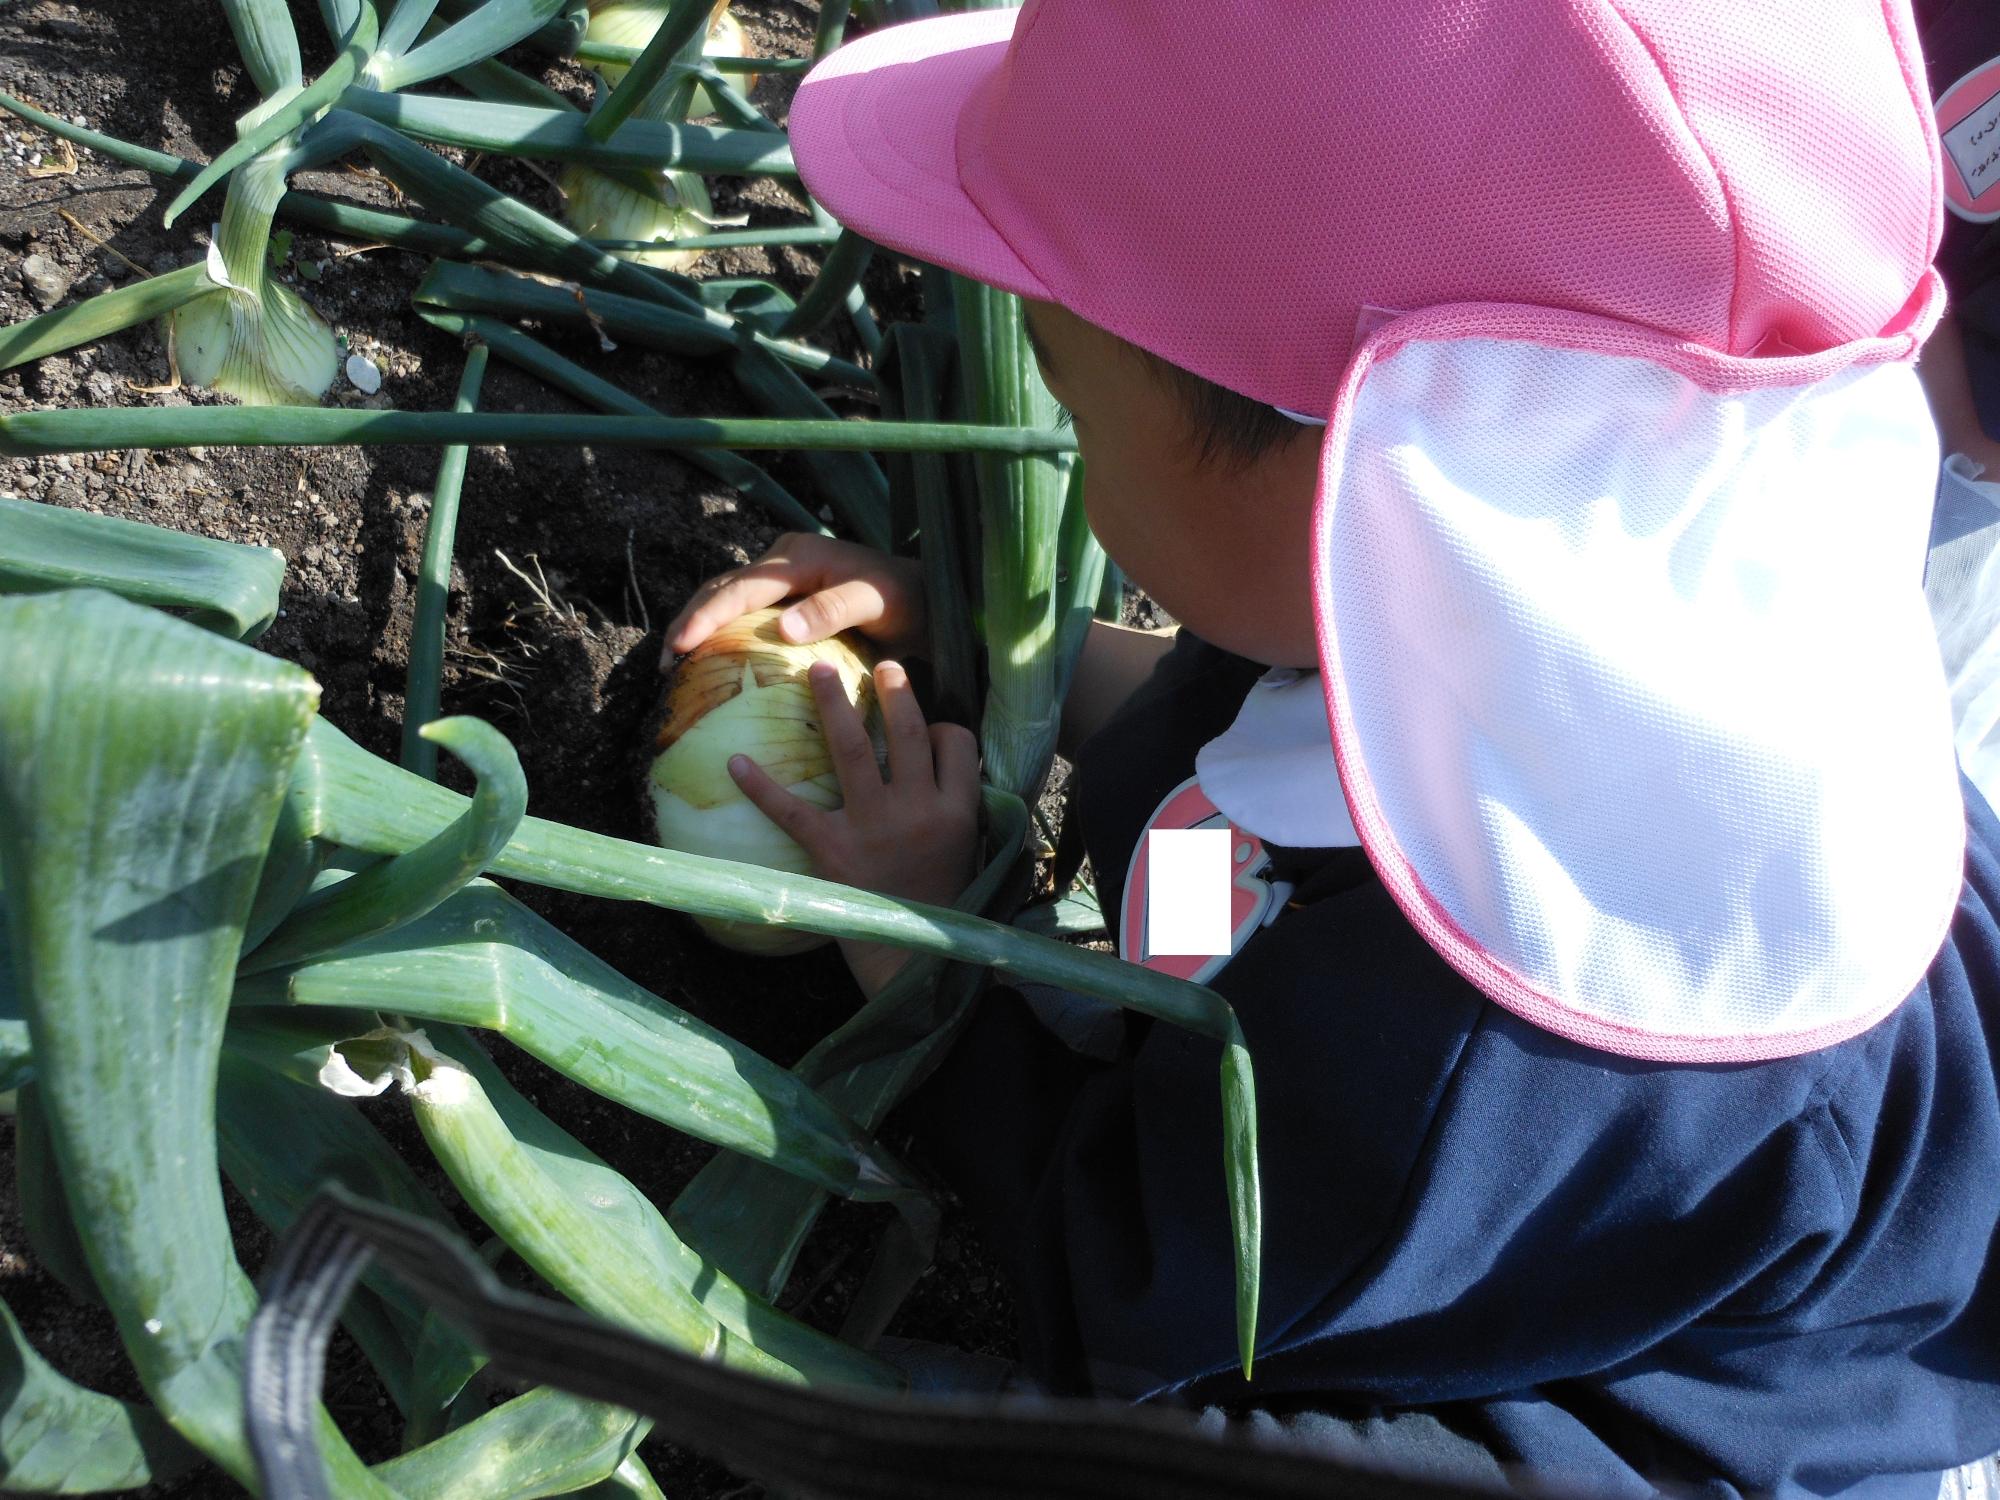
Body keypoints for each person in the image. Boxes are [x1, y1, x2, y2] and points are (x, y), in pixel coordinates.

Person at [662, 3, 2000, 1495]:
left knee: (1176, 1445)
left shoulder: (1463, 1055)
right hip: (1615, 1195)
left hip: (1660, 1407)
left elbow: (1129, 1269)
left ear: (1354, 470)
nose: (1075, 462)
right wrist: (968, 640)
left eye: (1082, 410)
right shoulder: (1552, 591)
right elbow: (1239, 811)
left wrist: (929, 970)